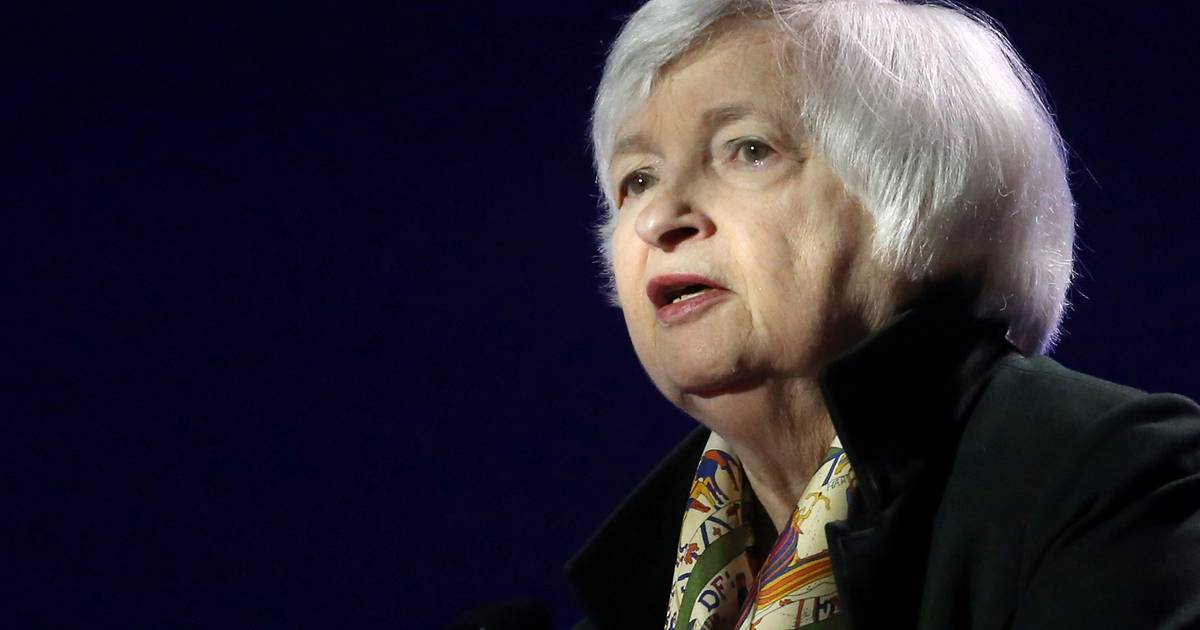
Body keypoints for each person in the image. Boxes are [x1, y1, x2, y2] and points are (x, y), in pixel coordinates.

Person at [564, 1, 1200, 629]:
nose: (656, 219)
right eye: (638, 179)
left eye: (748, 150)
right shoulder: (629, 602)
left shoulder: (1107, 478)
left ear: (927, 192)